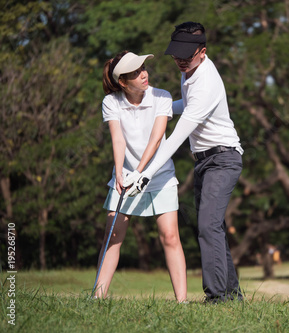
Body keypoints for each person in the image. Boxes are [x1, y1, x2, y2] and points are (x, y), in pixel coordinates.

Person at [125, 22, 244, 303]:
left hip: (223, 158)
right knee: (212, 226)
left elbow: (178, 135)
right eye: (176, 54)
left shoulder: (207, 82)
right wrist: (151, 106)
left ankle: (216, 298)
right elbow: (182, 107)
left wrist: (144, 173)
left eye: (186, 56)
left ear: (202, 52)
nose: (180, 60)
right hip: (205, 160)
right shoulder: (190, 72)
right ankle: (231, 296)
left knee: (207, 226)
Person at [93, 51, 187, 302]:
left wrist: (140, 173)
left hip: (160, 176)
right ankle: (97, 298)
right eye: (135, 72)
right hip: (125, 177)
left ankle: (182, 302)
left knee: (170, 236)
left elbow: (157, 138)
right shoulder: (111, 102)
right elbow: (118, 139)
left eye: (143, 68)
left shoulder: (162, 96)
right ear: (123, 82)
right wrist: (122, 174)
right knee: (113, 237)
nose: (144, 74)